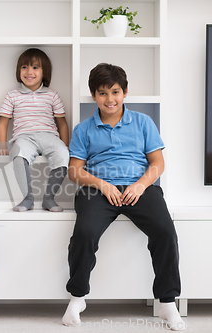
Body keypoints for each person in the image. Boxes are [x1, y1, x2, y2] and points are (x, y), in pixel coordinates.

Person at [62, 63, 186, 331]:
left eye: (115, 92)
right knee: (84, 233)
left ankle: (167, 302)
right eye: (103, 93)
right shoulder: (84, 129)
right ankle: (77, 297)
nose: (110, 99)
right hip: (96, 190)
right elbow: (74, 171)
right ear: (94, 95)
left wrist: (141, 185)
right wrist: (102, 185)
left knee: (165, 232)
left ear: (125, 92)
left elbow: (158, 163)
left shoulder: (143, 122)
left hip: (138, 188)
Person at [0, 48, 70, 212]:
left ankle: (49, 198)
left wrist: (65, 144)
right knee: (18, 155)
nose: (29, 72)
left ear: (44, 72)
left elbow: (62, 123)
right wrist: (2, 147)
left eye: (35, 67)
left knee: (63, 155)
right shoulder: (12, 95)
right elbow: (3, 123)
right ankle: (27, 198)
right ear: (19, 70)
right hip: (24, 137)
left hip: (49, 135)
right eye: (24, 67)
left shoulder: (52, 95)